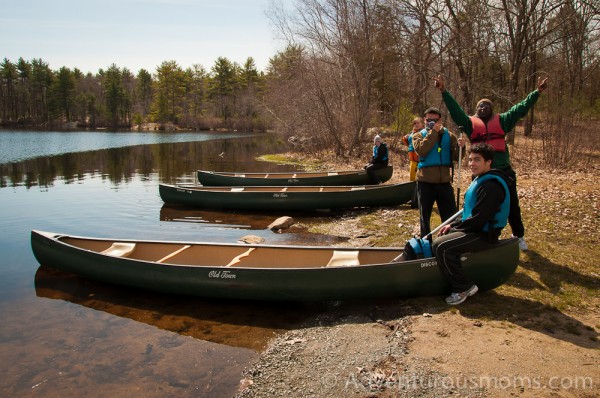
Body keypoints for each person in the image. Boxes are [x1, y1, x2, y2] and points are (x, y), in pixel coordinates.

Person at [433, 75, 549, 251]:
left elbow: (521, 108)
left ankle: (518, 236)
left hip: (503, 170)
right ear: (476, 109)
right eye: (480, 105)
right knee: (478, 206)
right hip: (481, 173)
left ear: (492, 109)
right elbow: (455, 110)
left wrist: (537, 92)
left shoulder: (503, 120)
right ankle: (477, 235)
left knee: (512, 205)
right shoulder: (470, 123)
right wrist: (443, 90)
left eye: (487, 105)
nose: (483, 107)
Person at [432, 143, 510, 305]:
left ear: (489, 162)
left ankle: (463, 287)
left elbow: (479, 219)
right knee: (441, 238)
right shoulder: (481, 180)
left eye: (477, 160)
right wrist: (452, 225)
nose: (472, 164)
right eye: (470, 160)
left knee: (442, 247)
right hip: (477, 229)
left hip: (484, 234)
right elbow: (470, 213)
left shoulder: (491, 186)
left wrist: (455, 227)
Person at [412, 107, 461, 238]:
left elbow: (456, 157)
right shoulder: (417, 135)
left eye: (434, 120)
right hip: (425, 182)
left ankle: (448, 241)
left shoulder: (449, 136)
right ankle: (426, 244)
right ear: (424, 120)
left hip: (444, 182)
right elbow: (422, 150)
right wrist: (433, 133)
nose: (431, 122)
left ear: (440, 120)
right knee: (425, 218)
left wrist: (461, 147)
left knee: (450, 217)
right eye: (429, 120)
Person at [401, 117, 424, 208]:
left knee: (419, 180)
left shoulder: (423, 133)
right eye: (414, 123)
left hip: (420, 160)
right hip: (412, 160)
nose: (416, 125)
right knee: (412, 179)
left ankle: (418, 200)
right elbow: (409, 144)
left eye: (418, 123)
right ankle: (413, 198)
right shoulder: (412, 133)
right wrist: (405, 139)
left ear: (422, 124)